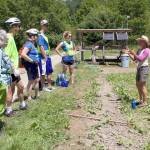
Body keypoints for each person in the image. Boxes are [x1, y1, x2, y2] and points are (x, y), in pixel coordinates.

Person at [4, 17, 27, 116]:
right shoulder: (9, 37)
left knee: (21, 86)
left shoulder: (11, 37)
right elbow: (5, 55)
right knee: (11, 90)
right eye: (17, 26)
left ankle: (22, 104)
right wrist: (13, 69)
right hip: (10, 71)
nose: (19, 28)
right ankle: (8, 110)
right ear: (12, 26)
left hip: (14, 70)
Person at [124, 35, 150, 107]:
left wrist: (133, 53)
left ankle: (145, 102)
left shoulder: (147, 50)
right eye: (139, 41)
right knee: (138, 85)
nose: (139, 42)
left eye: (141, 41)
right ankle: (141, 100)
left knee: (142, 85)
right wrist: (129, 53)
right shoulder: (139, 50)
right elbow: (135, 59)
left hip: (144, 68)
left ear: (144, 42)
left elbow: (141, 59)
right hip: (139, 68)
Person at [21, 29, 40, 100]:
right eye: (36, 36)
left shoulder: (32, 44)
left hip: (34, 65)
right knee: (31, 81)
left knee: (37, 79)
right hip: (30, 65)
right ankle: (29, 97)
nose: (37, 37)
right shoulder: (28, 44)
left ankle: (37, 95)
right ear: (32, 36)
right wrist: (32, 60)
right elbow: (23, 54)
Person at [0, 29, 13, 117]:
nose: (6, 42)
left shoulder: (2, 51)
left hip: (5, 78)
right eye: (4, 40)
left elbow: (7, 61)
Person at [38, 20, 54, 92]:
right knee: (43, 72)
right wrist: (45, 57)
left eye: (47, 25)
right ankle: (43, 87)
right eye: (45, 25)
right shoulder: (40, 35)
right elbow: (41, 47)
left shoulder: (44, 35)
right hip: (43, 56)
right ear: (41, 25)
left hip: (47, 55)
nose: (46, 26)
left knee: (49, 71)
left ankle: (49, 86)